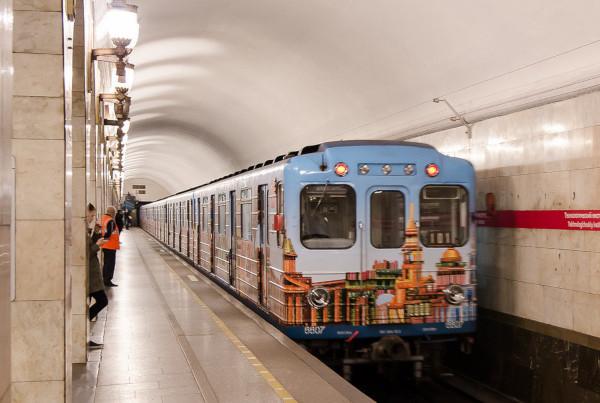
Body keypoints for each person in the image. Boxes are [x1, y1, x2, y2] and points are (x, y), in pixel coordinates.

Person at [86, 203, 108, 349]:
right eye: (92, 215)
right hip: (90, 276)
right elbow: (84, 254)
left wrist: (96, 233)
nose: (92, 217)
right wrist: (97, 245)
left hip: (92, 275)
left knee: (102, 301)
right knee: (103, 301)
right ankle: (84, 320)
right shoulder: (79, 230)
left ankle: (84, 327)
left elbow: (89, 247)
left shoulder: (85, 230)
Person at [101, 206, 120, 287]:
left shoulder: (103, 218)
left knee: (106, 263)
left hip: (105, 246)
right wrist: (106, 239)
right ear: (112, 213)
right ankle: (108, 280)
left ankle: (105, 278)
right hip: (110, 246)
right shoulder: (111, 221)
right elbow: (109, 233)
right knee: (110, 264)